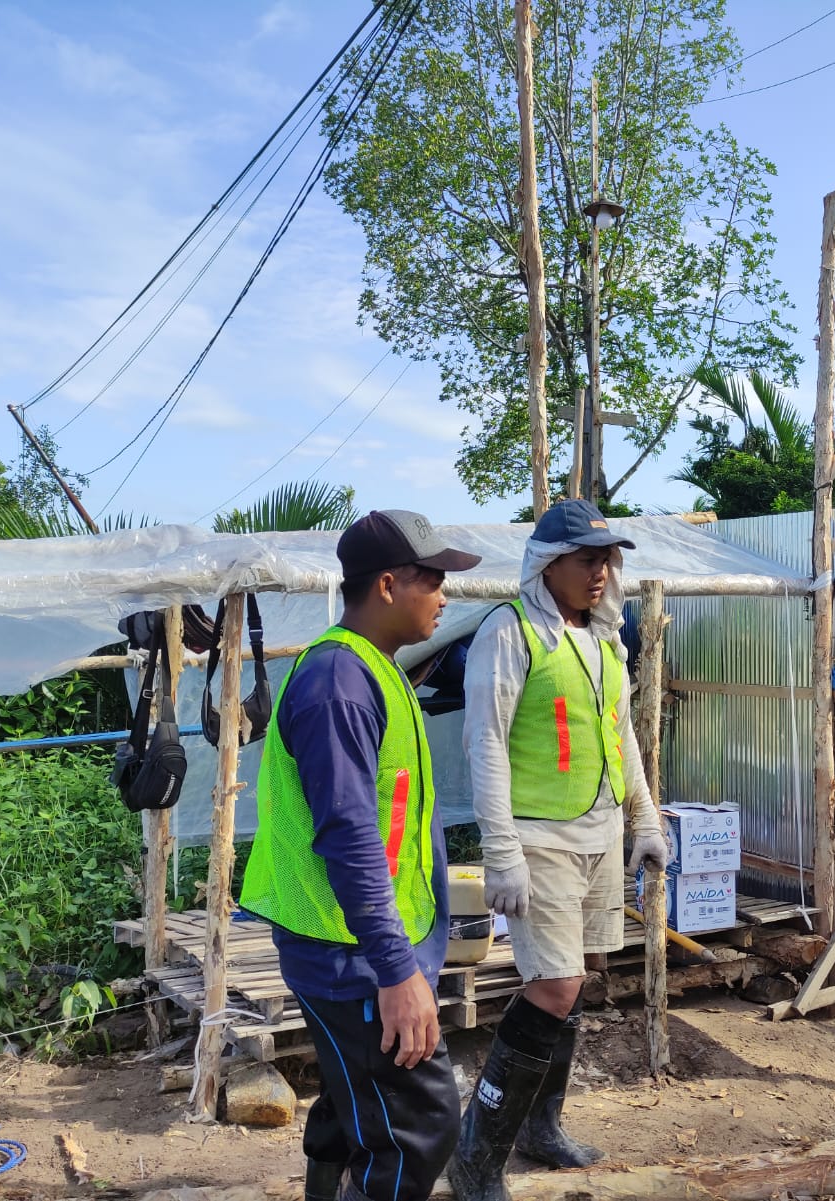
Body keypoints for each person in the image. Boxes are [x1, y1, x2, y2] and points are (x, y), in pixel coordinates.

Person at [238, 510, 482, 1201]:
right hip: (352, 952)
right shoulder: (338, 684)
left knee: (352, 1105)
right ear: (385, 584)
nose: (444, 595)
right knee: (420, 1123)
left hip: (361, 944)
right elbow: (349, 835)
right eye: (431, 579)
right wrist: (396, 969)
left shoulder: (373, 669)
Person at [449, 499, 669, 1201]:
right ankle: (476, 1155)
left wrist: (645, 819)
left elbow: (622, 734)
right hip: (537, 833)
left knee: (582, 971)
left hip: (598, 831)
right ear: (549, 563)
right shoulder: (509, 633)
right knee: (554, 985)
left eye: (607, 558)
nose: (601, 572)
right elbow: (482, 741)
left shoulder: (604, 638)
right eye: (587, 559)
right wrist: (501, 852)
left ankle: (541, 1127)